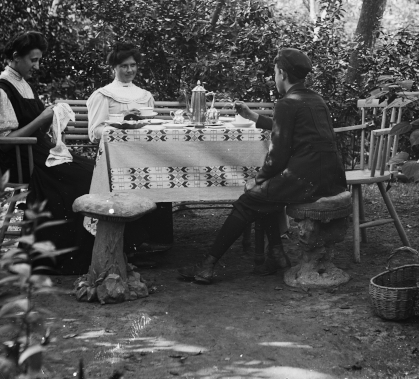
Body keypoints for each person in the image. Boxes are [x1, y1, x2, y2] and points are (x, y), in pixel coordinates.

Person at [178, 48, 348, 284]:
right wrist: (253, 117)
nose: (274, 77)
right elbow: (290, 127)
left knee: (248, 201)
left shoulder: (287, 103)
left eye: (275, 72)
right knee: (266, 196)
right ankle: (277, 254)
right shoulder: (315, 99)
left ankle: (207, 264)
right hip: (331, 178)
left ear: (283, 74)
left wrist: (258, 180)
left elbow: (277, 157)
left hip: (306, 180)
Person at [0, 31, 95, 275]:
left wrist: (55, 117)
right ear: (16, 57)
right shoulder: (0, 90)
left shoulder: (22, 83)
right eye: (33, 60)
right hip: (20, 160)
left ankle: (91, 250)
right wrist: (42, 117)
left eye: (38, 60)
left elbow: (35, 126)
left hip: (37, 151)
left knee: (92, 169)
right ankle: (65, 257)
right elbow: (6, 142)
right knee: (81, 178)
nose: (37, 65)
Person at [86, 41, 174, 261]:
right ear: (114, 67)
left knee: (160, 174)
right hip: (116, 159)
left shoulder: (144, 95)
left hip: (145, 155)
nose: (129, 70)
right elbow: (95, 132)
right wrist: (122, 121)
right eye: (124, 66)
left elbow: (151, 127)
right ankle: (133, 244)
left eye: (133, 65)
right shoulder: (104, 95)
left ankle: (158, 241)